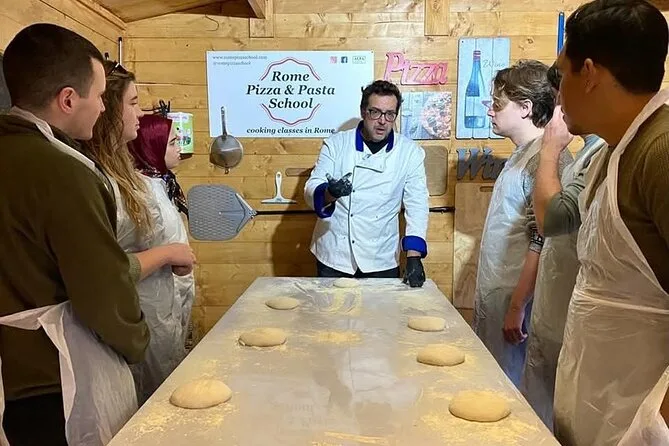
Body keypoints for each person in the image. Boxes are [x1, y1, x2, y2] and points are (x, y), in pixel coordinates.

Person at [0, 24, 150, 445]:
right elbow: (101, 287)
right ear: (68, 99)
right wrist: (137, 341)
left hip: (12, 373)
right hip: (53, 376)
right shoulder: (61, 172)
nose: (103, 107)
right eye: (99, 96)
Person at [540, 1, 669, 445]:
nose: (559, 94)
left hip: (637, 418)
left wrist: (654, 428)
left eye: (563, 74)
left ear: (590, 73)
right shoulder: (613, 152)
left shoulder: (661, 151)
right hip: (603, 404)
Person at [80, 60, 196, 404]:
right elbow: (106, 266)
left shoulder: (131, 177)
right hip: (128, 319)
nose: (141, 113)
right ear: (107, 111)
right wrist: (168, 254)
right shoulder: (97, 178)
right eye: (133, 103)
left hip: (154, 311)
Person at [472, 60, 572, 387]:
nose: (490, 111)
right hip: (501, 296)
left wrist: (517, 305)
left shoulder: (545, 159)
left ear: (526, 108)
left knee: (513, 391)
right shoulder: (523, 154)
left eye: (498, 104)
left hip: (518, 303)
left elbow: (543, 237)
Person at [521, 63, 606, 429]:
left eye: (560, 97)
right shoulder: (590, 151)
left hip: (579, 323)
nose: (559, 108)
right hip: (554, 310)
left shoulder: (600, 153)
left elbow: (551, 220)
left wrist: (550, 150)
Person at [304, 80, 429, 287]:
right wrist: (329, 193)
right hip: (335, 254)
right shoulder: (336, 144)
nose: (382, 121)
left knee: (381, 309)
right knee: (330, 309)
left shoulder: (409, 152)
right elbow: (311, 187)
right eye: (375, 112)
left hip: (380, 257)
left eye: (390, 114)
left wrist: (414, 256)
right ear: (363, 111)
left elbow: (417, 205)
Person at [129, 113, 195, 357]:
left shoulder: (161, 183)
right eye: (173, 143)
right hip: (153, 302)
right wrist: (174, 258)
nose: (179, 149)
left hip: (171, 295)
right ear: (152, 146)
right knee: (159, 366)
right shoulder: (143, 192)